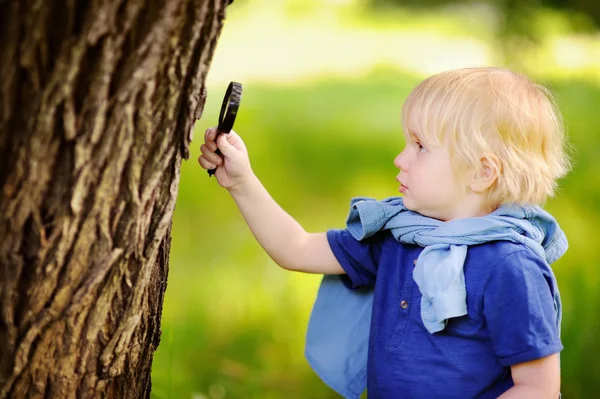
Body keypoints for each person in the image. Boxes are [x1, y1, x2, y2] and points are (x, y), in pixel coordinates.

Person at [197, 67, 571, 398]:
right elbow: (296, 249)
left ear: (482, 173)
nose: (400, 158)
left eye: (421, 147)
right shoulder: (400, 236)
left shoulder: (511, 266)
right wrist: (241, 182)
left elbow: (538, 387)